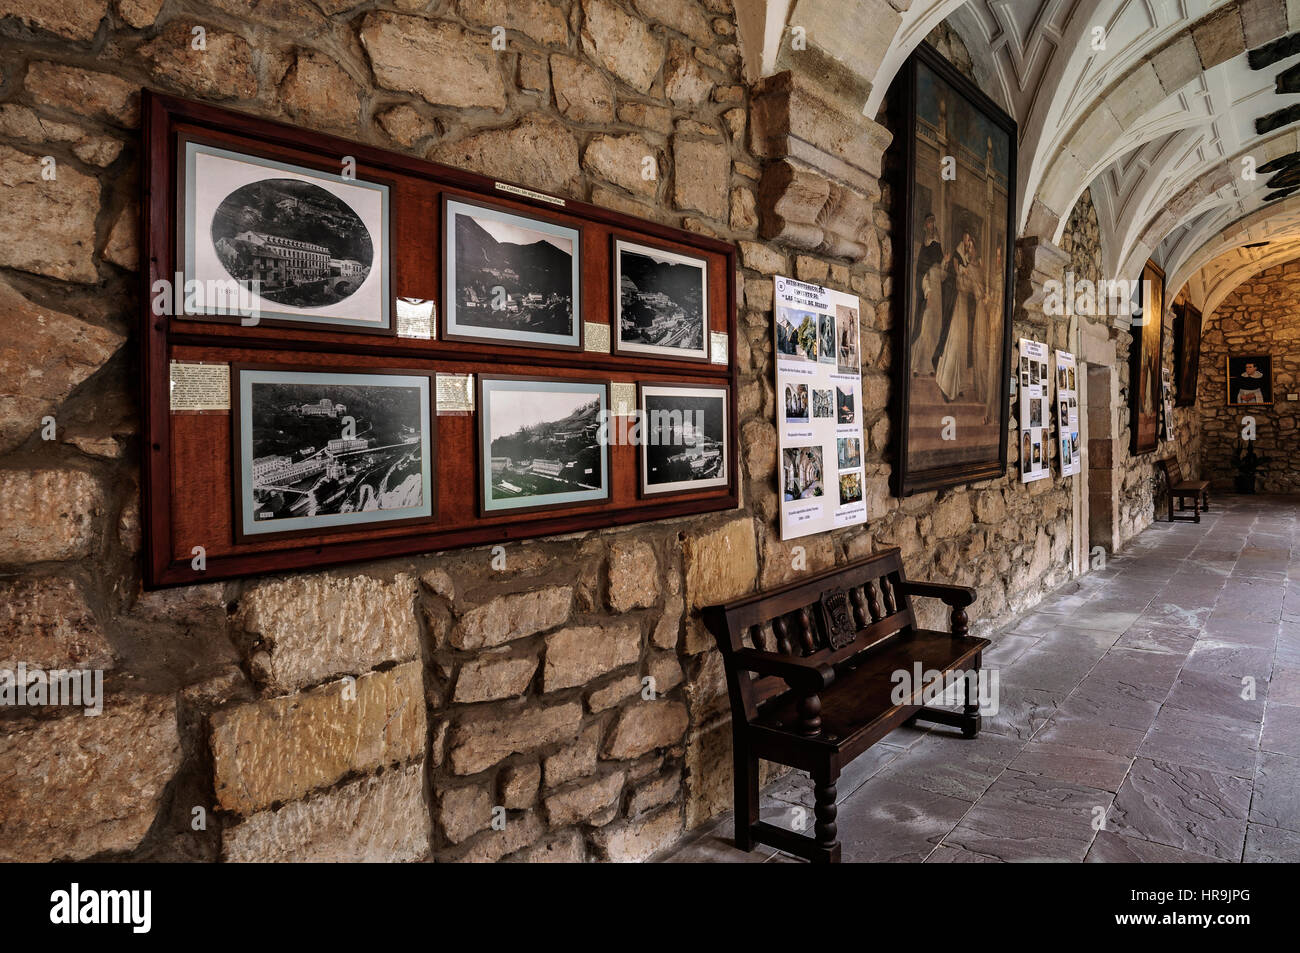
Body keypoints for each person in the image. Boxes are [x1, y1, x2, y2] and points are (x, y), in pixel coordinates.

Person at [910, 213, 946, 375]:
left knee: (934, 330)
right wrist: (928, 292)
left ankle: (929, 366)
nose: (932, 225)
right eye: (929, 223)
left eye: (933, 222)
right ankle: (917, 365)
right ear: (926, 225)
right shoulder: (926, 246)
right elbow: (922, 273)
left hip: (937, 292)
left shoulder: (937, 244)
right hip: (930, 293)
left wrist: (945, 261)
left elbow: (942, 275)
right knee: (925, 328)